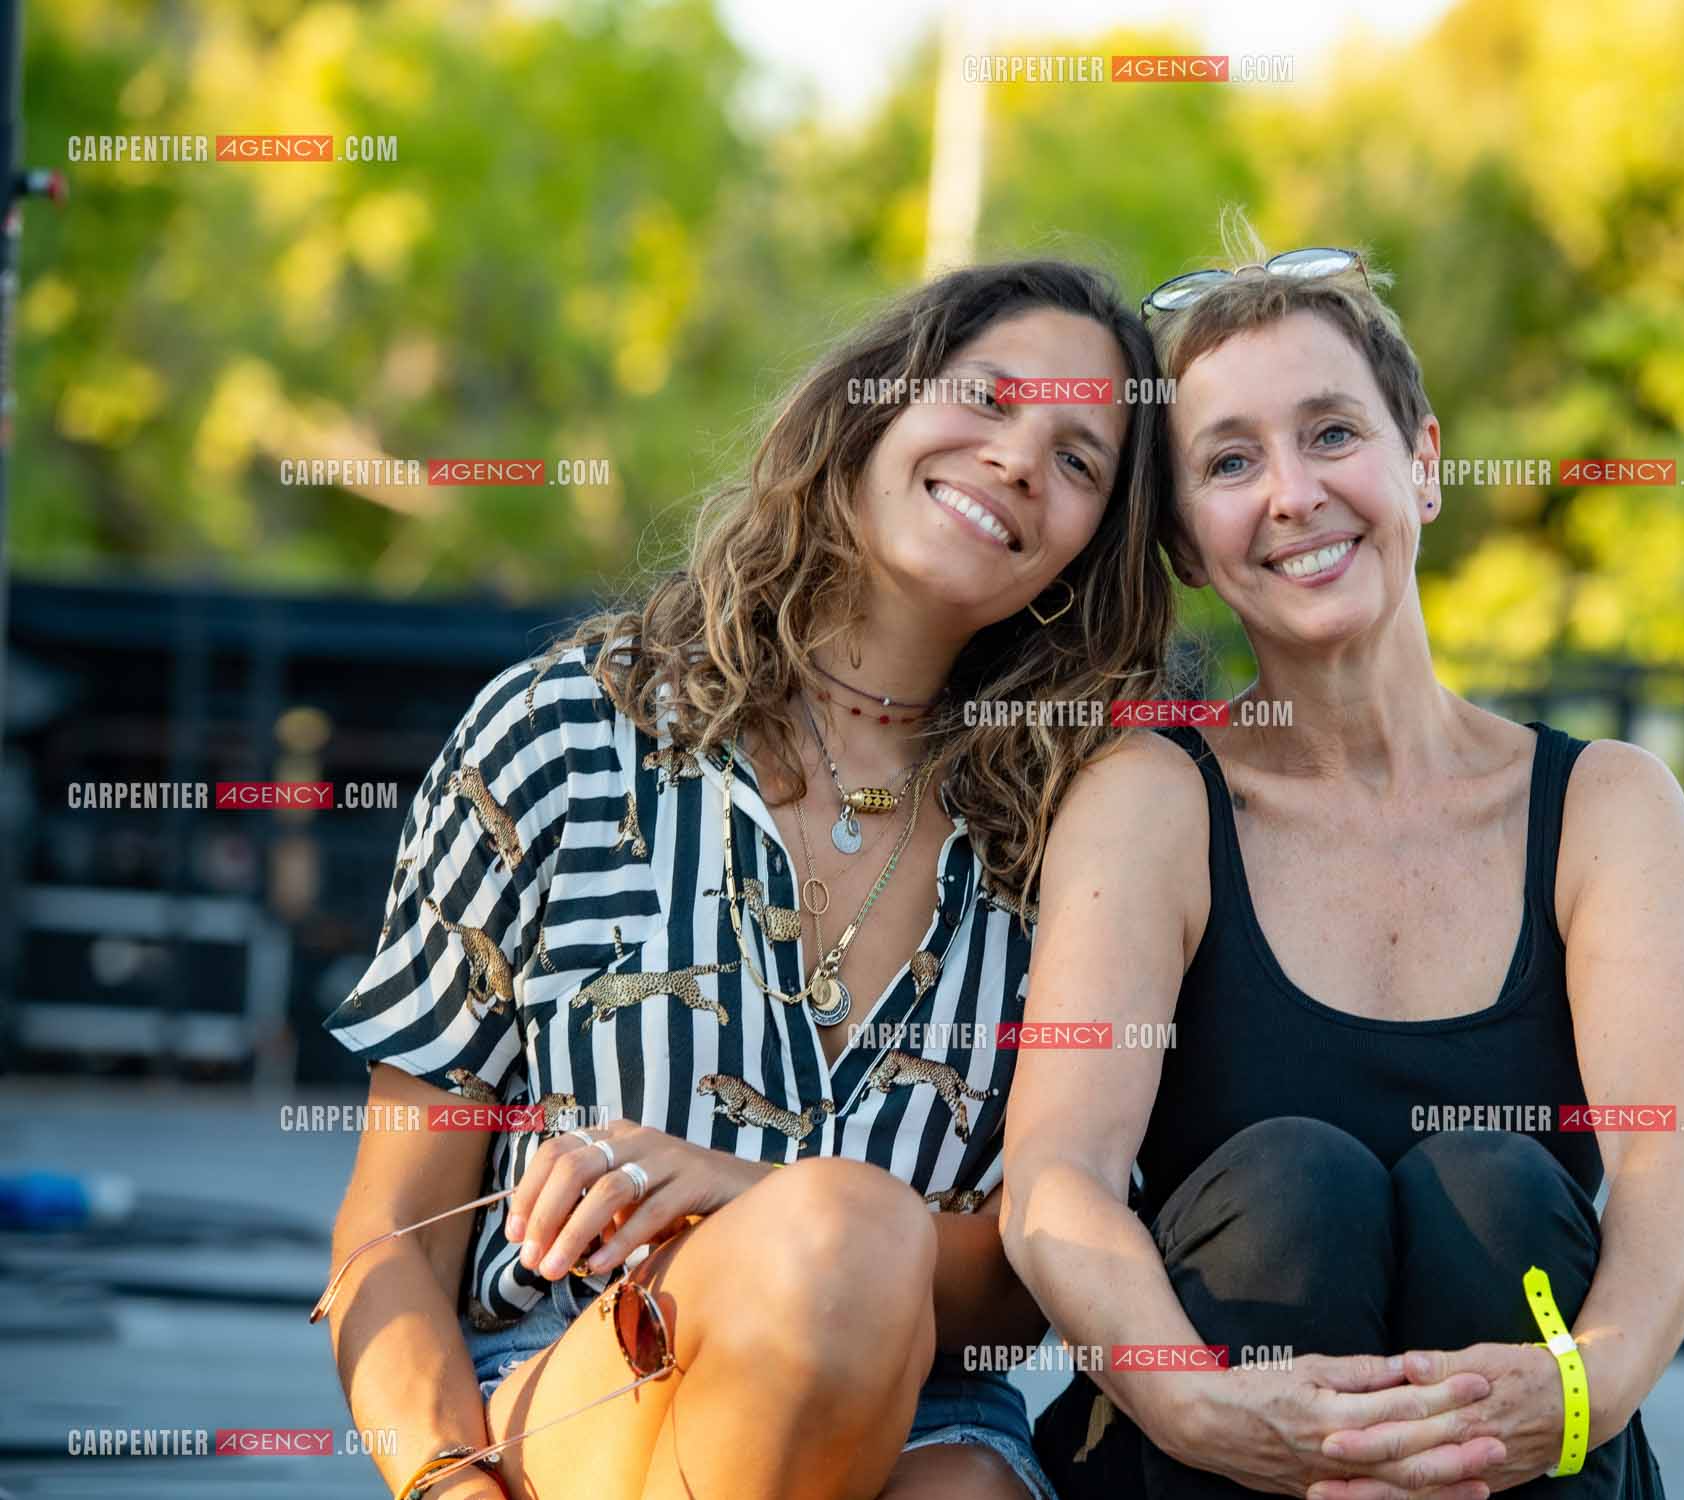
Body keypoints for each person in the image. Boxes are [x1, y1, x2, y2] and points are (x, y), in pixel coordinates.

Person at [315, 259, 1175, 1500]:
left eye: (1079, 459)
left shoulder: (1069, 840)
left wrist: (763, 1199)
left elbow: (1021, 1293)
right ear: (875, 403)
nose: (1019, 459)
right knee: (840, 1236)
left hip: (929, 1418)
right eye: (986, 397)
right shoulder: (565, 734)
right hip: (580, 1387)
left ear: (1090, 550)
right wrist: (448, 1482)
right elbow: (384, 1240)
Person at [1001, 232, 1684, 1499]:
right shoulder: (1149, 800)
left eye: (1332, 433)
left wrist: (1582, 1389)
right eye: (1231, 461)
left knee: (1497, 1191)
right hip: (1209, 1450)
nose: (1291, 492)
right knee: (1299, 1185)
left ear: (1425, 464)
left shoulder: (1606, 805)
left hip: (1517, 1454)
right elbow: (1053, 1188)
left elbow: (1679, 1154)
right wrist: (1204, 1408)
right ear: (1186, 543)